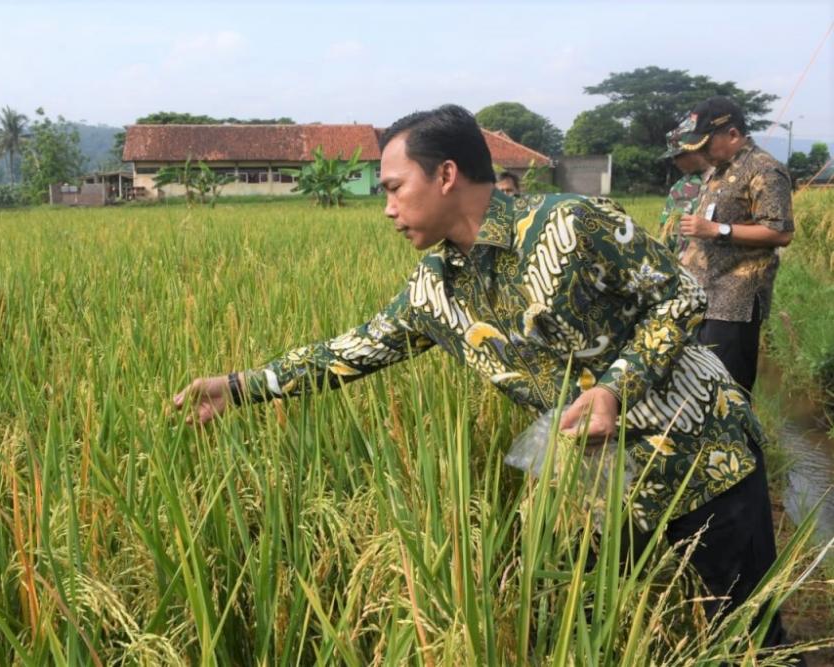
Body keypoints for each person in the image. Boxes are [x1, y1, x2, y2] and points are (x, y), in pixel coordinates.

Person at [174, 104, 790, 649]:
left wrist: (614, 387)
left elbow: (680, 295)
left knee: (747, 629)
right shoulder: (436, 289)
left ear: (446, 174)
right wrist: (238, 387)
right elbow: (354, 350)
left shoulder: (570, 224)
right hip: (600, 477)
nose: (387, 209)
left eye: (395, 188)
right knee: (591, 620)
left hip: (699, 454)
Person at [677, 96, 794, 396]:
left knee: (728, 395)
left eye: (706, 144)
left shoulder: (764, 169)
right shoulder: (718, 170)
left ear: (732, 134)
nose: (702, 152)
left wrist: (717, 229)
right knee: (700, 392)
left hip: (734, 304)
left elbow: (780, 232)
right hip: (705, 297)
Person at [658, 117, 710, 257]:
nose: (675, 162)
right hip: (685, 265)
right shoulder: (679, 189)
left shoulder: (728, 178)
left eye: (678, 156)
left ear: (696, 148)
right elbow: (667, 236)